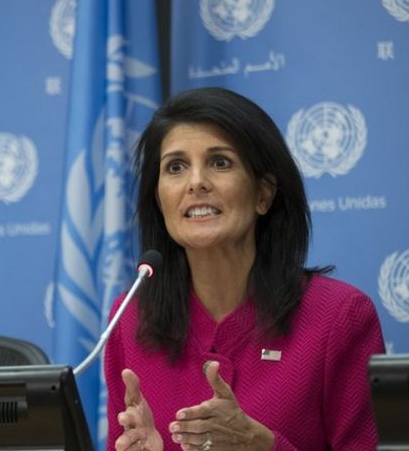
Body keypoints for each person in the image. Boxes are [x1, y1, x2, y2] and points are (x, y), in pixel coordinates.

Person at [105, 87, 384, 451]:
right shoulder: (130, 318)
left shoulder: (340, 317)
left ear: (263, 194)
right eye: (176, 167)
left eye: (220, 162)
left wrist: (264, 447)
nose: (196, 182)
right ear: (159, 199)